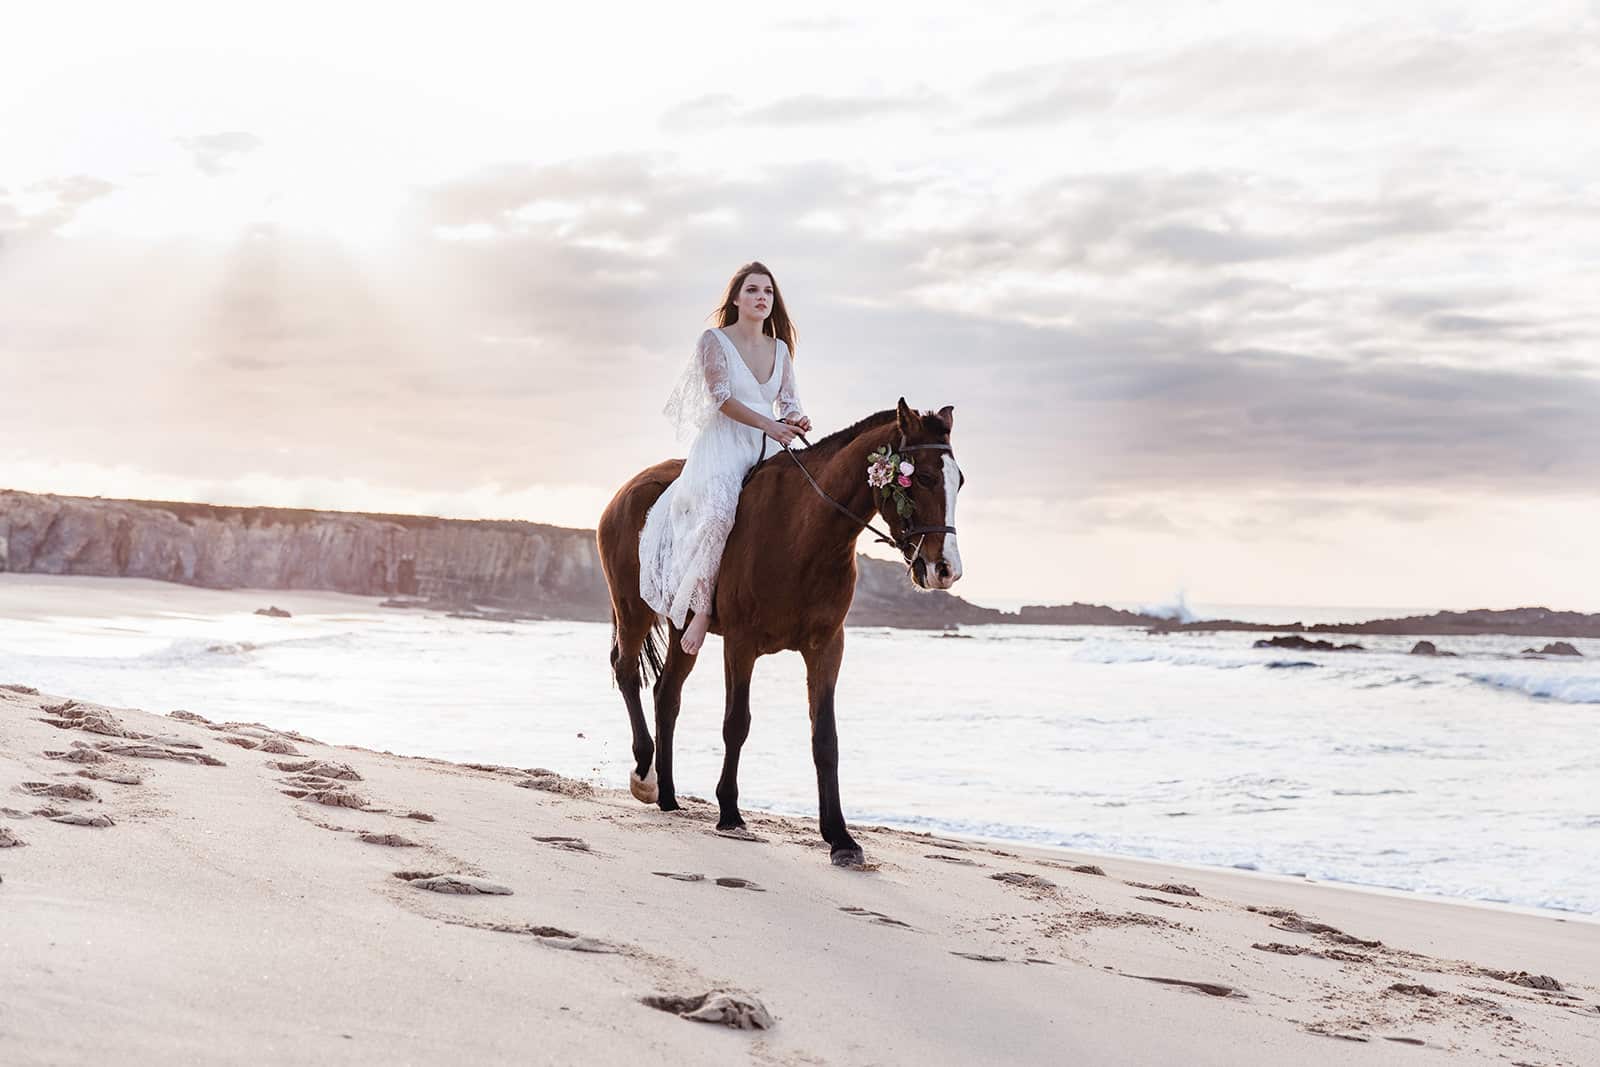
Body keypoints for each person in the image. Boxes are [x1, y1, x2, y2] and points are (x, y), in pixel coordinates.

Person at [639, 261, 812, 656]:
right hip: (723, 443)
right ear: (736, 298)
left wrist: (795, 420)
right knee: (720, 515)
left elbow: (789, 402)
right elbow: (721, 400)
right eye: (752, 290)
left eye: (768, 292)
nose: (761, 298)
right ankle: (702, 609)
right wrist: (770, 425)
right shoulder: (713, 341)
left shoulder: (780, 349)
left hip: (767, 443)